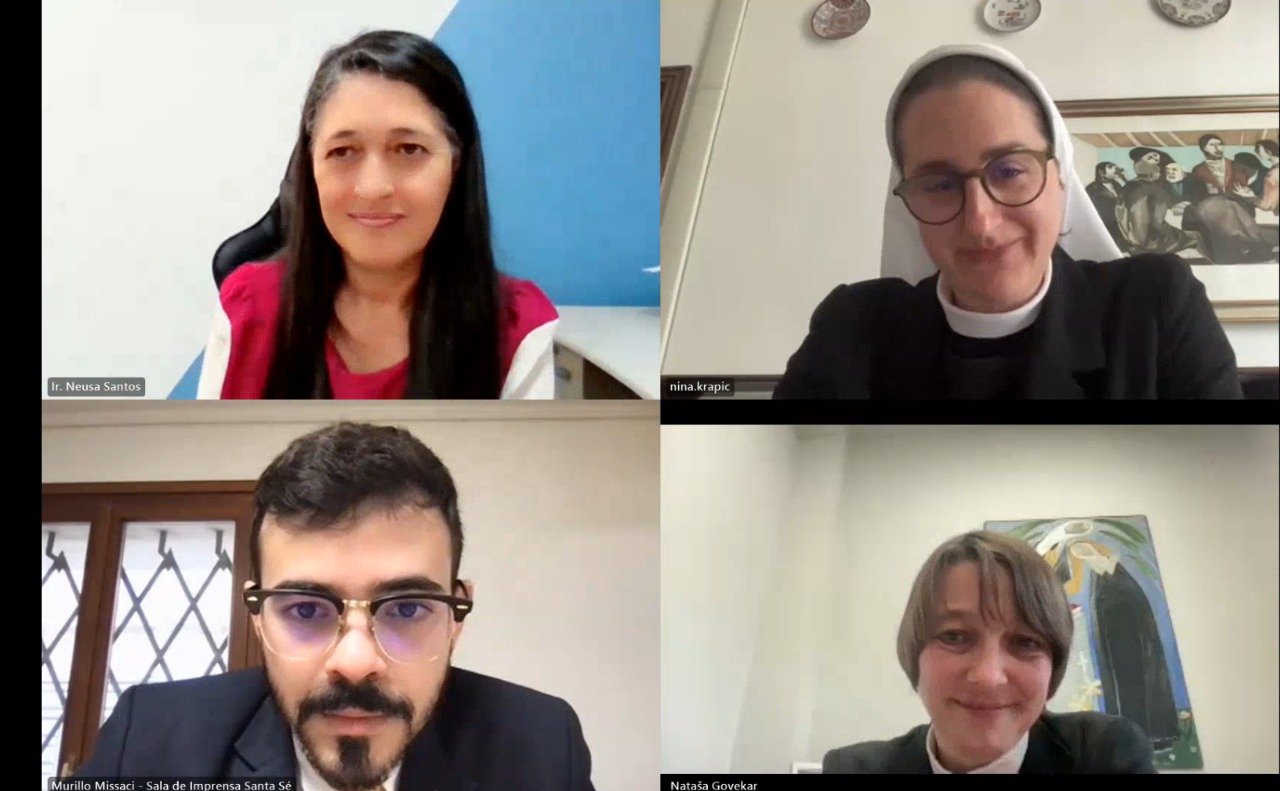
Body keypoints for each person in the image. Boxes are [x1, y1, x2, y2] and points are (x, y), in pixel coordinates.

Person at [76, 422, 596, 789]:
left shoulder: (542, 747)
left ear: (456, 620)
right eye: (306, 610)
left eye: (407, 609)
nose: (355, 662)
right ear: (258, 619)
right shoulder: (149, 742)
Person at [773, 44, 1242, 399]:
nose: (980, 223)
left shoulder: (1155, 304)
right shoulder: (852, 326)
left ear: (1059, 176)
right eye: (938, 184)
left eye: (1009, 171)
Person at [197, 31, 558, 400]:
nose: (373, 188)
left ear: (455, 164)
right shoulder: (247, 310)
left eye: (408, 149)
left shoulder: (517, 328)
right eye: (343, 151)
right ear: (311, 169)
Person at [823, 531, 1157, 774]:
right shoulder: (853, 769)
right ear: (914, 653)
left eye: (1025, 642)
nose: (988, 677)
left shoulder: (1105, 754)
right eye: (955, 636)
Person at [1114, 147, 1199, 256]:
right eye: (1151, 159)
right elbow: (1157, 222)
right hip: (1152, 243)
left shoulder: (1127, 187)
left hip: (1130, 240)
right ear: (1153, 172)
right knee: (1196, 236)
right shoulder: (1153, 190)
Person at [1185, 134, 1241, 202]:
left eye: (1219, 144)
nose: (1217, 147)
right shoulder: (1198, 170)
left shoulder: (1234, 165)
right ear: (1204, 148)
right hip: (1212, 204)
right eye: (1212, 145)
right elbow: (1195, 194)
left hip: (1235, 204)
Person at [1083, 162, 1126, 244]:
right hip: (1104, 226)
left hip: (1119, 224)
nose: (1115, 169)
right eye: (1110, 167)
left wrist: (1125, 179)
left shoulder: (1117, 185)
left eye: (1115, 166)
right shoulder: (1092, 188)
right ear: (1101, 173)